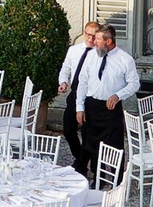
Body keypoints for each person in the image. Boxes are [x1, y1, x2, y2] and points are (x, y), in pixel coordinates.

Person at [74, 24, 140, 186]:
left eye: (97, 39)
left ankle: (117, 181)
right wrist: (79, 108)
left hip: (111, 108)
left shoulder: (125, 59)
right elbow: (82, 82)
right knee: (92, 145)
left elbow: (134, 83)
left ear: (108, 41)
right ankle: (97, 179)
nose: (94, 42)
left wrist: (118, 95)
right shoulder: (91, 56)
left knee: (115, 145)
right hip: (91, 106)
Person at [52, 20, 104, 173]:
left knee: (88, 133)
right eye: (88, 35)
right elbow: (66, 68)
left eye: (94, 36)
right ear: (84, 33)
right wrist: (63, 81)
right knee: (68, 130)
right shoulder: (74, 50)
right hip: (74, 94)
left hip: (90, 97)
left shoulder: (100, 54)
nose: (91, 39)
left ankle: (83, 167)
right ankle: (80, 159)